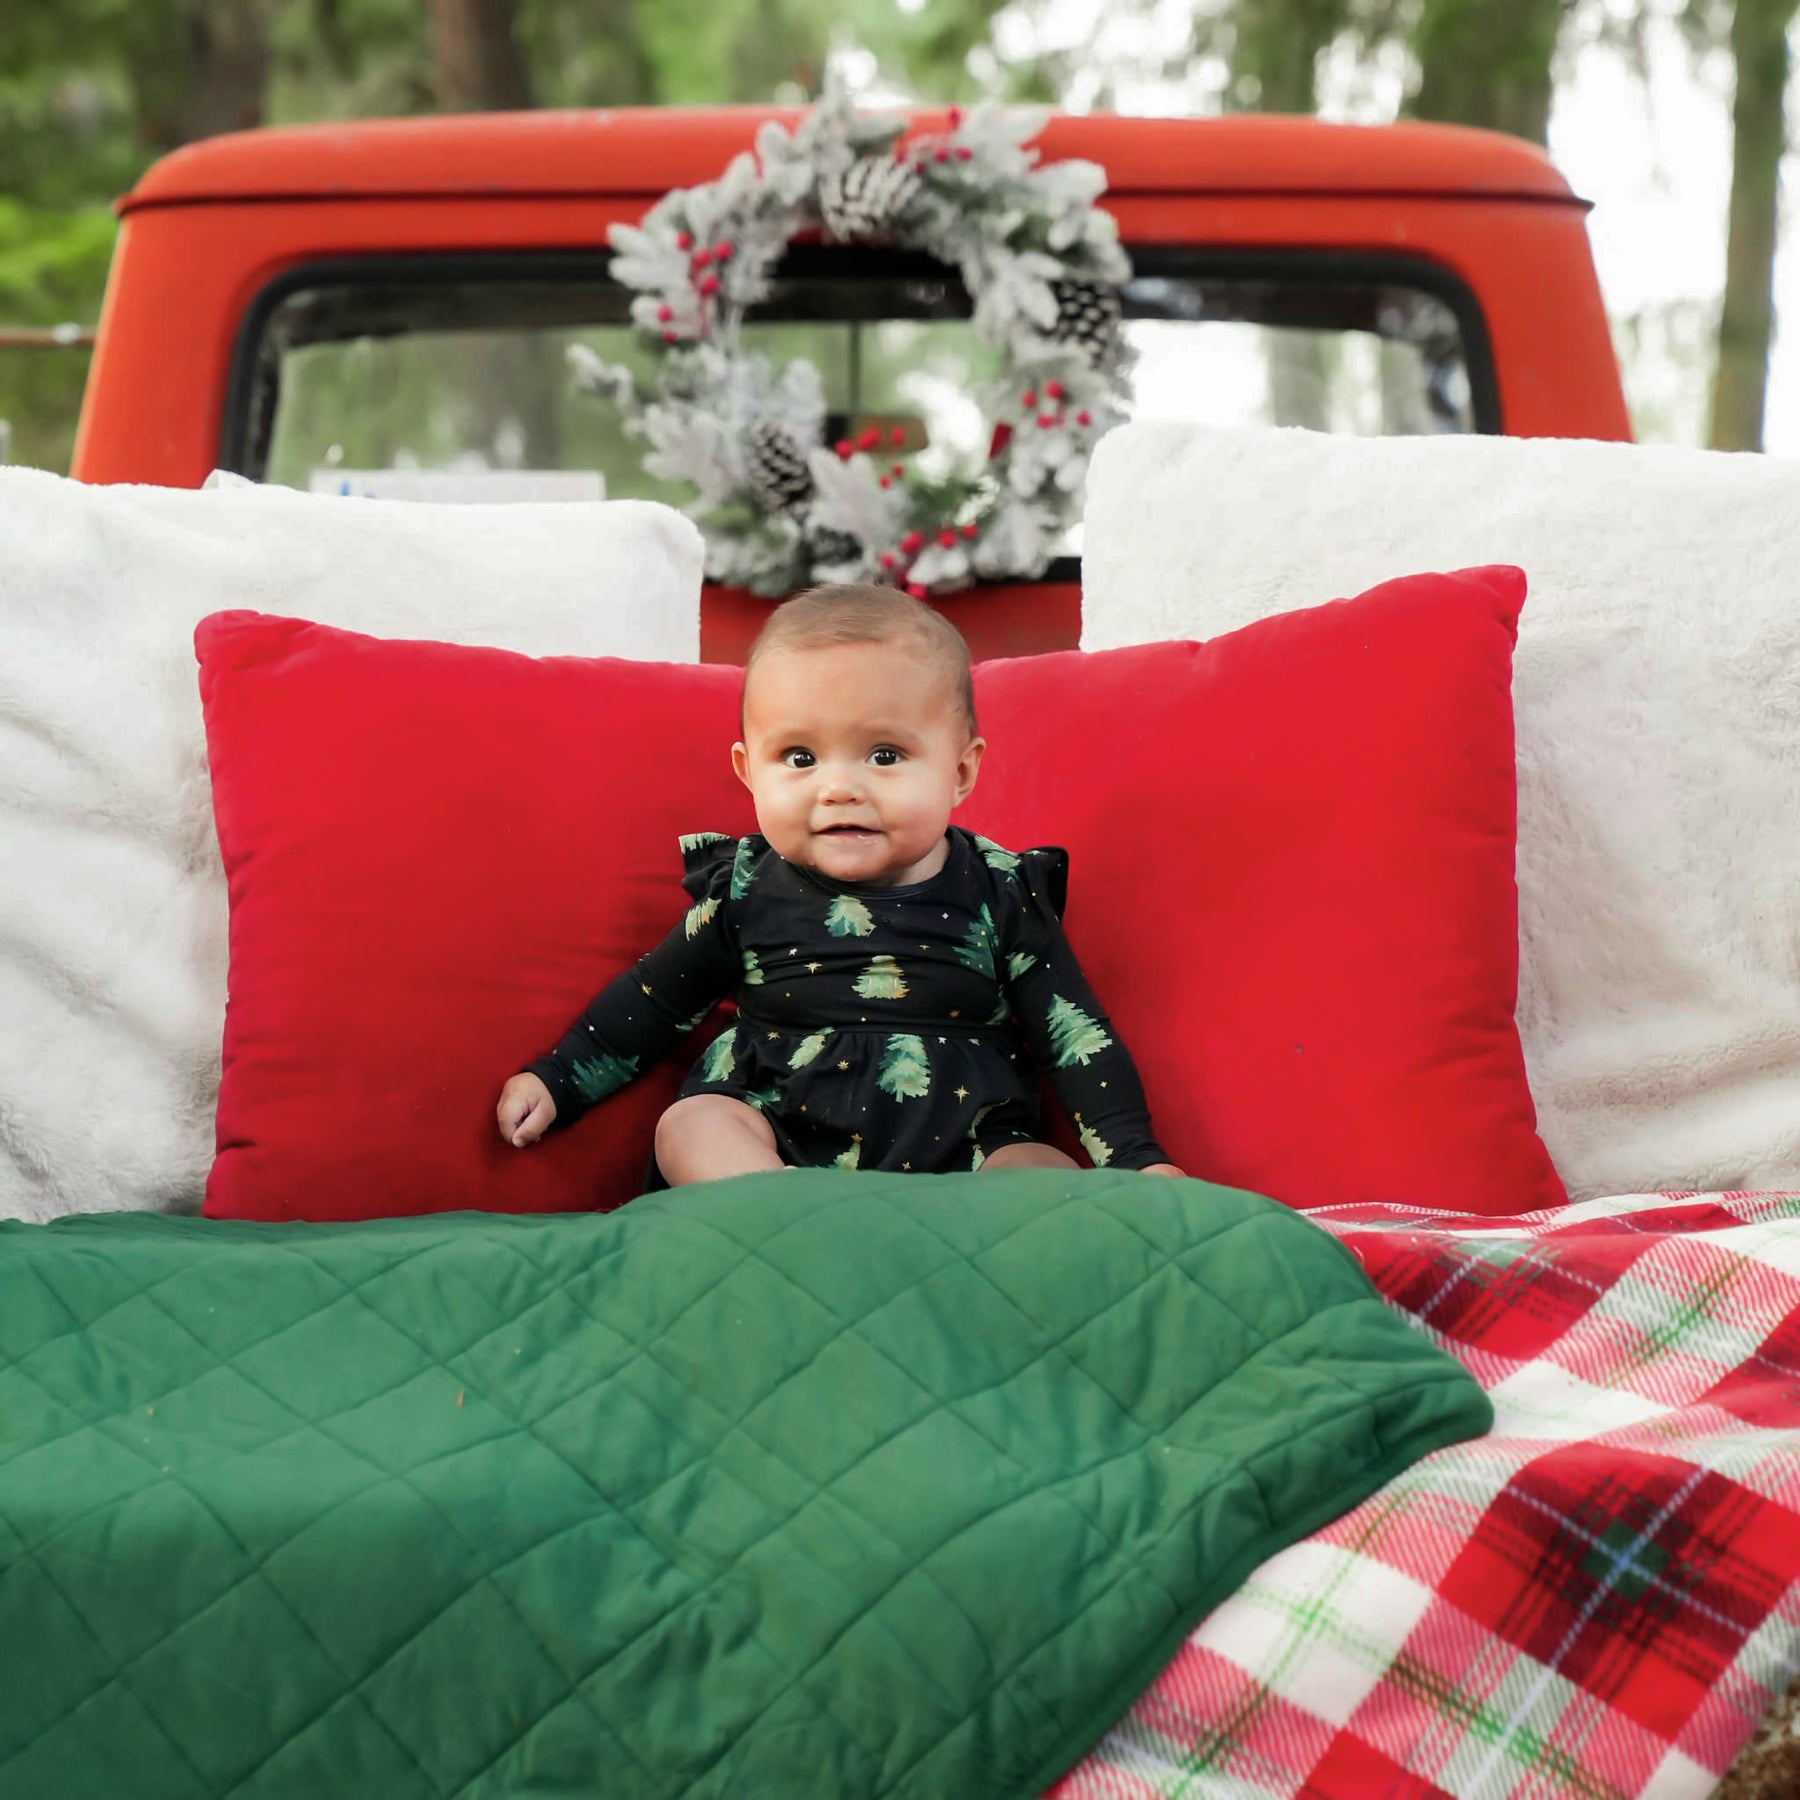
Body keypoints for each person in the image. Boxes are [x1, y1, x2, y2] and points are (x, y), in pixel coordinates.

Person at [496, 583, 1184, 1187]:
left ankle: (951, 1249)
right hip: (781, 1139)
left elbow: (1075, 1037)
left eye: (885, 755)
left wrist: (1134, 1157)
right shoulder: (744, 890)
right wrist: (558, 1080)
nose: (839, 788)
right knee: (692, 1126)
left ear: (961, 772)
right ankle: (783, 1215)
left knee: (1045, 1173)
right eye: (800, 757)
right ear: (748, 771)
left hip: (965, 1151)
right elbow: (652, 1000)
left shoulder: (1002, 894)